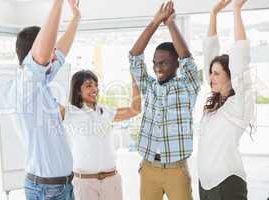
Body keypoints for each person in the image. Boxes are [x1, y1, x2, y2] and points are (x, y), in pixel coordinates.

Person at [8, 0, 80, 199]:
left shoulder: (43, 80)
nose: (54, 54)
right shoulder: (26, 84)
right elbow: (43, 54)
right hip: (46, 191)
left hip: (63, 186)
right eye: (50, 50)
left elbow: (61, 52)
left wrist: (76, 18)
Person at [129, 1, 201, 200]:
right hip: (148, 167)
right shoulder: (149, 86)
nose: (157, 67)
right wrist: (154, 22)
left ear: (176, 64)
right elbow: (134, 57)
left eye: (163, 63)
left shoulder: (188, 86)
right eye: (155, 63)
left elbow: (187, 58)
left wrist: (170, 24)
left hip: (176, 170)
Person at [198, 0, 255, 199]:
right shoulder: (215, 104)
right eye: (211, 73)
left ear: (230, 76)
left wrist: (236, 10)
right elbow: (210, 54)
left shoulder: (238, 104)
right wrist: (213, 14)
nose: (210, 77)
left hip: (227, 183)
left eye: (216, 74)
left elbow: (240, 54)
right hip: (205, 183)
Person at [62, 70, 141, 200]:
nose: (95, 89)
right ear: (77, 91)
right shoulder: (71, 112)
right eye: (88, 85)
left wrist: (134, 79)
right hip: (85, 183)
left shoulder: (106, 111)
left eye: (95, 85)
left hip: (111, 180)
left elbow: (135, 110)